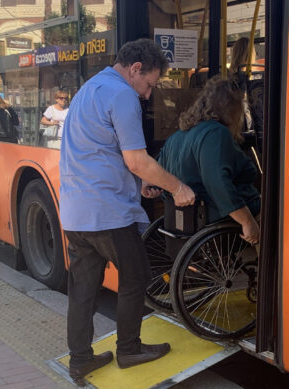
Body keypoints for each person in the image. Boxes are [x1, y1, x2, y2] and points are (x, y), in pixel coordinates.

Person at [59, 38, 195, 382]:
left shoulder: (88, 89)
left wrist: (139, 185)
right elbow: (137, 159)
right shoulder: (121, 94)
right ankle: (130, 349)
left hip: (76, 213)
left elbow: (98, 153)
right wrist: (177, 187)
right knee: (136, 277)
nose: (148, 95)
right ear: (136, 69)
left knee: (83, 290)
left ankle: (80, 360)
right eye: (149, 84)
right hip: (108, 213)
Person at [158, 77, 260, 245]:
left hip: (186, 218)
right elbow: (218, 183)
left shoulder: (177, 136)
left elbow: (160, 173)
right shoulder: (216, 134)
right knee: (275, 211)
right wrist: (247, 221)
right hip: (212, 215)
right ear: (231, 108)